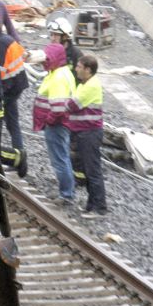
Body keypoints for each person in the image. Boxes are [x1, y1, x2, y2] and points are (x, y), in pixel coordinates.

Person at [0, 16, 29, 177]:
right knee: (13, 123)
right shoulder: (7, 40)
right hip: (17, 85)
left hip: (9, 89)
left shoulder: (0, 45)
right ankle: (19, 158)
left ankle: (11, 159)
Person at [33, 43, 76, 204]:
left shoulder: (58, 77)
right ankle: (67, 191)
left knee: (59, 159)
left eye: (47, 59)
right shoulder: (63, 72)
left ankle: (66, 195)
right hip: (62, 124)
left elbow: (58, 108)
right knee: (62, 156)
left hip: (56, 125)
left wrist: (48, 121)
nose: (45, 62)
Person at [66, 55, 108, 217]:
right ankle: (91, 205)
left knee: (93, 170)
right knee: (87, 169)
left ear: (88, 70)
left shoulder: (90, 86)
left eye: (79, 66)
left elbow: (72, 105)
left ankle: (99, 207)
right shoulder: (85, 84)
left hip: (89, 134)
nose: (76, 69)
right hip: (83, 132)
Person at [48, 16, 86, 183]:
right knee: (65, 139)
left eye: (56, 35)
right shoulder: (54, 52)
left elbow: (85, 79)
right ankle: (68, 173)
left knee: (76, 140)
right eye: (52, 35)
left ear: (65, 36)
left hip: (75, 103)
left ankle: (80, 176)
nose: (53, 38)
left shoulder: (76, 54)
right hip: (61, 102)